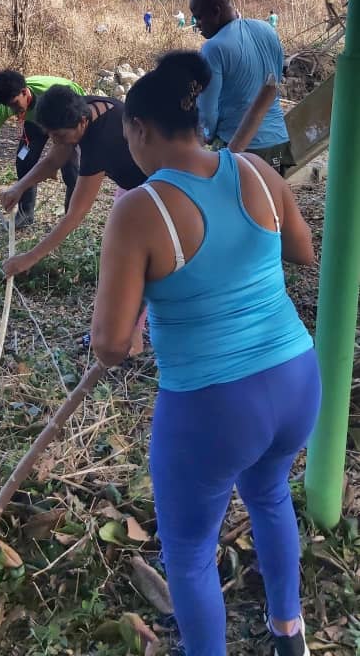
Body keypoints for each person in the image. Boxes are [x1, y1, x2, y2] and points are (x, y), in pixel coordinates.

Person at [91, 50, 321, 656]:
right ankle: (288, 632)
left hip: (215, 407)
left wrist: (138, 321)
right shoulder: (256, 172)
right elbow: (302, 250)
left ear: (139, 130)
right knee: (270, 494)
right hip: (296, 378)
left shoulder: (138, 209)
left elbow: (111, 345)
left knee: (190, 552)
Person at [0, 86, 148, 351]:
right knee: (114, 260)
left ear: (81, 123)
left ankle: (130, 340)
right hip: (130, 186)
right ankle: (116, 332)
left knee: (135, 266)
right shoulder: (84, 109)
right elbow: (54, 159)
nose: (55, 141)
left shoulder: (99, 142)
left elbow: (75, 215)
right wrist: (19, 187)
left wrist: (28, 258)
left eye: (58, 136)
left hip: (155, 191)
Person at [190, 0, 292, 174]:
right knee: (271, 202)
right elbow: (275, 79)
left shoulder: (213, 48)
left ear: (216, 11)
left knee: (234, 202)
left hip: (238, 146)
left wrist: (207, 135)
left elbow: (207, 109)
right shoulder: (267, 29)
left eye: (199, 17)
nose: (197, 25)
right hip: (278, 143)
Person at [0, 71, 84, 228]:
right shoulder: (9, 106)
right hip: (35, 123)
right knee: (23, 161)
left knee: (71, 170)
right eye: (8, 106)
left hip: (63, 120)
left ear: (24, 92)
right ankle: (25, 214)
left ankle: (71, 218)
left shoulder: (50, 91)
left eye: (14, 104)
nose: (12, 110)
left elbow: (80, 99)